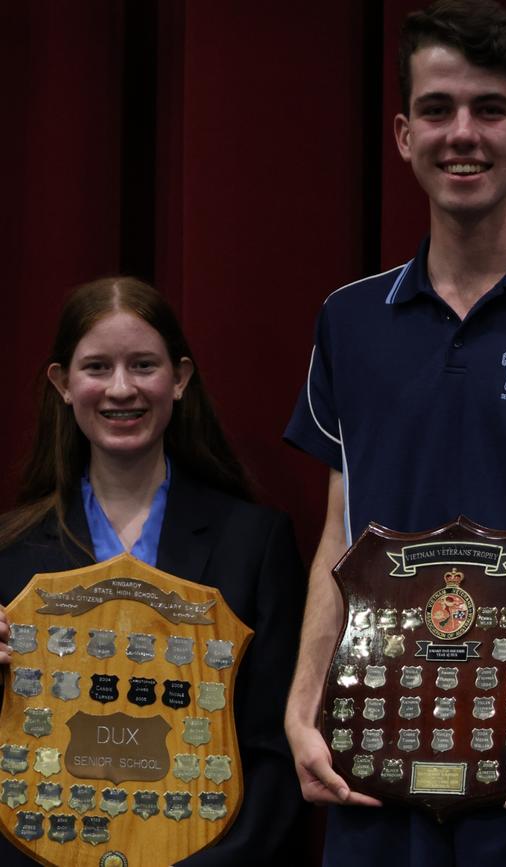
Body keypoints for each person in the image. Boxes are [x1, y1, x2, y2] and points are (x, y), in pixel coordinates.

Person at [283, 1, 506, 865]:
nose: (464, 134)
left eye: (490, 110)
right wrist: (303, 709)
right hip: (379, 755)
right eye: (439, 110)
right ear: (404, 133)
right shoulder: (350, 320)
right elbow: (341, 535)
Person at [0, 276, 306, 866]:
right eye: (96, 368)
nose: (121, 389)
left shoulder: (254, 542)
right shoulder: (10, 554)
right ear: (63, 384)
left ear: (180, 379)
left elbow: (276, 749)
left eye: (143, 364)